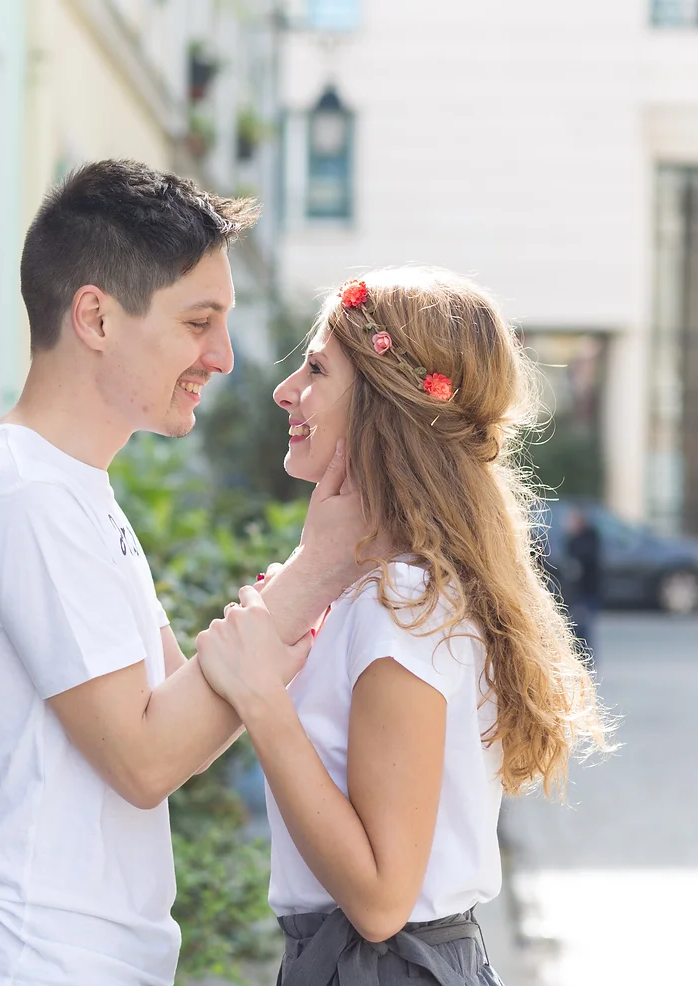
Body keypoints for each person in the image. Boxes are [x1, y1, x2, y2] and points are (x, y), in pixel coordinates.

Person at [0, 161, 369, 986]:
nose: (221, 358)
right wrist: (317, 566)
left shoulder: (74, 490)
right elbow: (147, 759)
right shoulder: (21, 492)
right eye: (198, 322)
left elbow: (178, 723)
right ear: (96, 317)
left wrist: (303, 593)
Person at [194, 268, 609, 985]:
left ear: (383, 406)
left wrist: (261, 701)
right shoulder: (382, 592)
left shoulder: (402, 604)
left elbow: (384, 899)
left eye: (317, 369)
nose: (284, 390)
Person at [562, 507, 603, 666]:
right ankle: (580, 659)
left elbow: (587, 561)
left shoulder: (590, 538)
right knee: (577, 628)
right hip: (575, 594)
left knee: (584, 627)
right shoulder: (571, 540)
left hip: (587, 591)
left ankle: (587, 660)